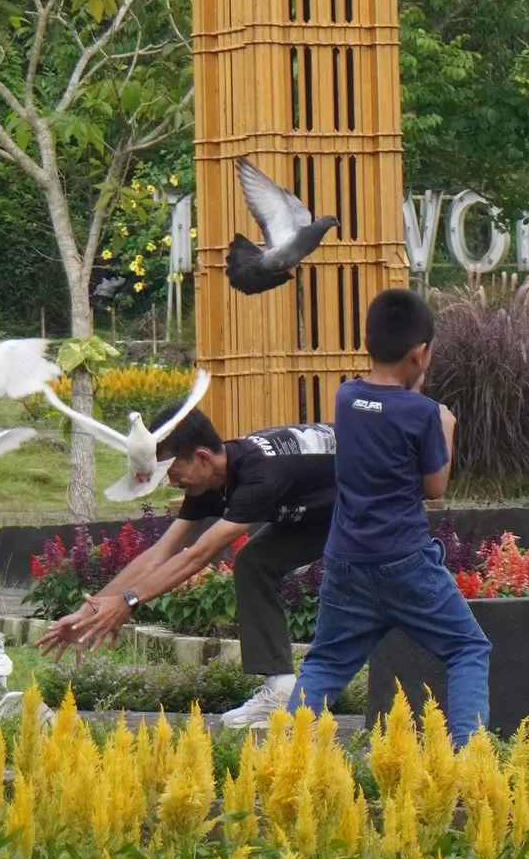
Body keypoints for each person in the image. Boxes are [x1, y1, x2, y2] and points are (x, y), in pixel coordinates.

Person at [39, 406, 337, 727]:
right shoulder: (209, 481)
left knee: (355, 582)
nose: (169, 481)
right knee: (254, 562)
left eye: (171, 469)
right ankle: (279, 691)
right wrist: (89, 613)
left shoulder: (260, 474)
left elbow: (197, 556)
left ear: (203, 457)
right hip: (320, 508)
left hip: (370, 494)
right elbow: (159, 553)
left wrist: (128, 601)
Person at [288, 287, 491, 743]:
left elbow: (380, 409)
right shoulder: (425, 414)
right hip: (405, 562)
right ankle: (468, 763)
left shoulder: (345, 398)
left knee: (324, 663)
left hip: (346, 559)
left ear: (369, 344)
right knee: (467, 648)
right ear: (420, 353)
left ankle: (286, 756)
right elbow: (434, 488)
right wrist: (448, 427)